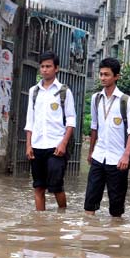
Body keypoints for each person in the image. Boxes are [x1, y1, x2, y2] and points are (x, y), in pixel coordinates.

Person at [84, 57, 130, 218]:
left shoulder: (126, 101)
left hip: (118, 160)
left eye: (107, 74)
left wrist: (126, 156)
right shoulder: (96, 99)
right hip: (99, 157)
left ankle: (115, 239)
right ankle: (88, 236)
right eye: (101, 74)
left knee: (116, 207)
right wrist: (91, 152)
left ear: (116, 77)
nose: (102, 78)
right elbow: (94, 127)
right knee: (89, 203)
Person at [24, 51, 76, 211]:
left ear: (56, 68)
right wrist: (28, 145)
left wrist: (63, 144)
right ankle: (40, 222)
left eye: (48, 66)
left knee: (56, 186)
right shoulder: (34, 91)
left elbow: (71, 120)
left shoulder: (64, 91)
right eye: (42, 66)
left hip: (56, 146)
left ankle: (62, 216)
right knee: (38, 187)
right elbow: (30, 120)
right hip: (37, 145)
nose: (45, 70)